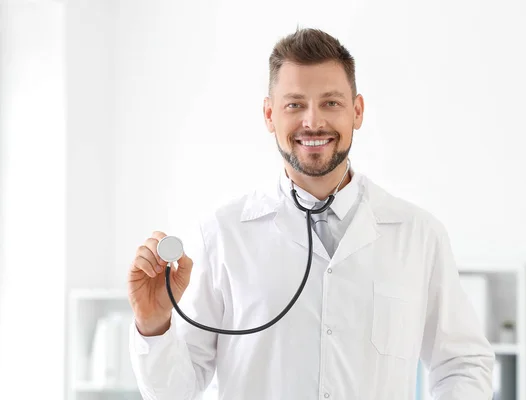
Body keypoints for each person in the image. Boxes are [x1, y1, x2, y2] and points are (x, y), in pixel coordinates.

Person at [127, 27, 495, 400]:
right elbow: (174, 392)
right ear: (270, 115)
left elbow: (463, 363)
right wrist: (153, 324)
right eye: (294, 104)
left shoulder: (418, 235)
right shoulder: (222, 234)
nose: (313, 121)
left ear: (358, 111)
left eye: (331, 102)